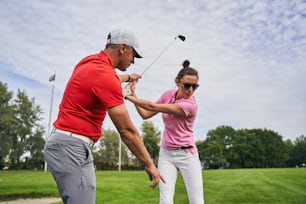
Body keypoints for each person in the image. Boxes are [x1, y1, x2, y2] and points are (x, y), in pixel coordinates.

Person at [44, 28, 165, 204]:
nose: (133, 60)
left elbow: (108, 78)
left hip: (71, 144)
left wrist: (129, 77)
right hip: (70, 147)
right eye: (134, 55)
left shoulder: (89, 62)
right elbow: (127, 131)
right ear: (123, 48)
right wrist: (149, 164)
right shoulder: (104, 75)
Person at [125, 60, 204, 204]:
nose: (191, 89)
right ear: (178, 82)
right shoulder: (168, 94)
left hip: (187, 155)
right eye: (187, 85)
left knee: (197, 201)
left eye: (195, 86)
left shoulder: (190, 105)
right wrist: (133, 95)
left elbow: (152, 106)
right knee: (165, 200)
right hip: (166, 154)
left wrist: (127, 97)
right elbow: (145, 114)